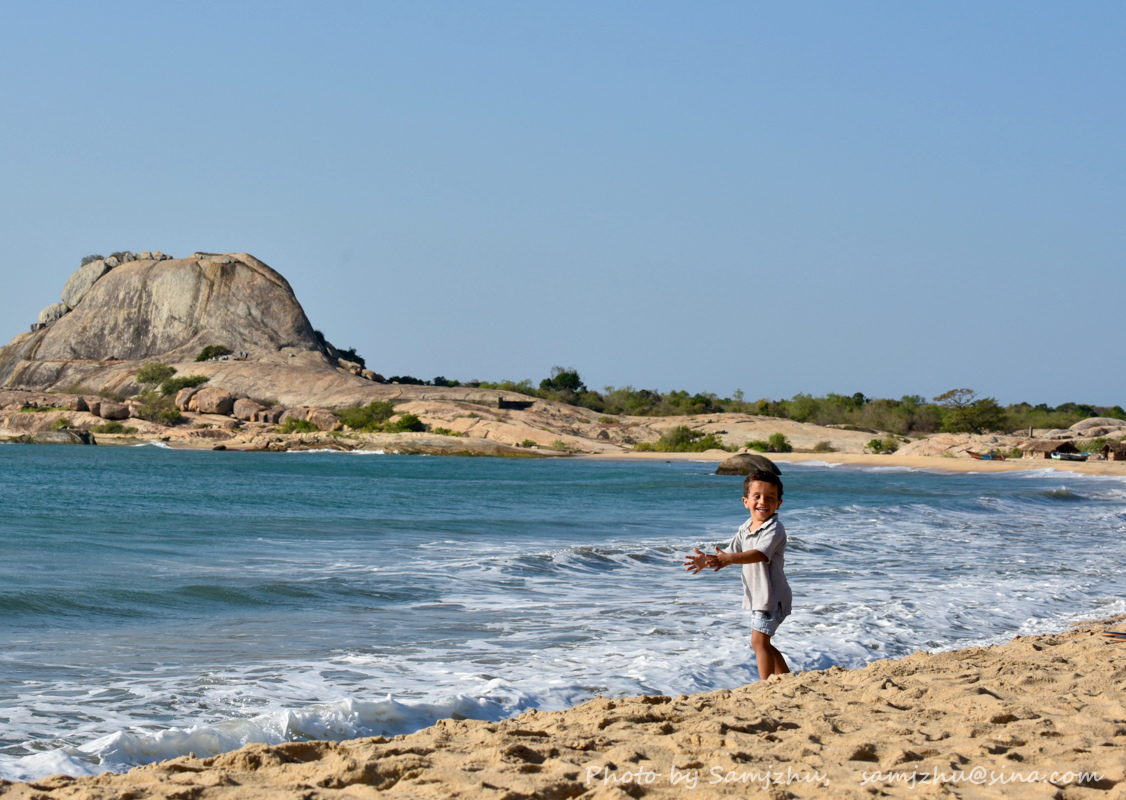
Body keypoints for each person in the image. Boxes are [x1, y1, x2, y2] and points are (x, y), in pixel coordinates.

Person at [683, 468, 792, 680]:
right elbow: (730, 553)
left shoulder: (775, 529)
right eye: (757, 497)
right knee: (764, 642)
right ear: (745, 501)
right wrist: (708, 560)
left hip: (772, 597)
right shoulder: (745, 528)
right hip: (759, 596)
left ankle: (766, 684)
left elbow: (759, 554)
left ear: (778, 503)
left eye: (770, 498)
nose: (763, 502)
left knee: (758, 642)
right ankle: (785, 679)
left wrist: (728, 559)